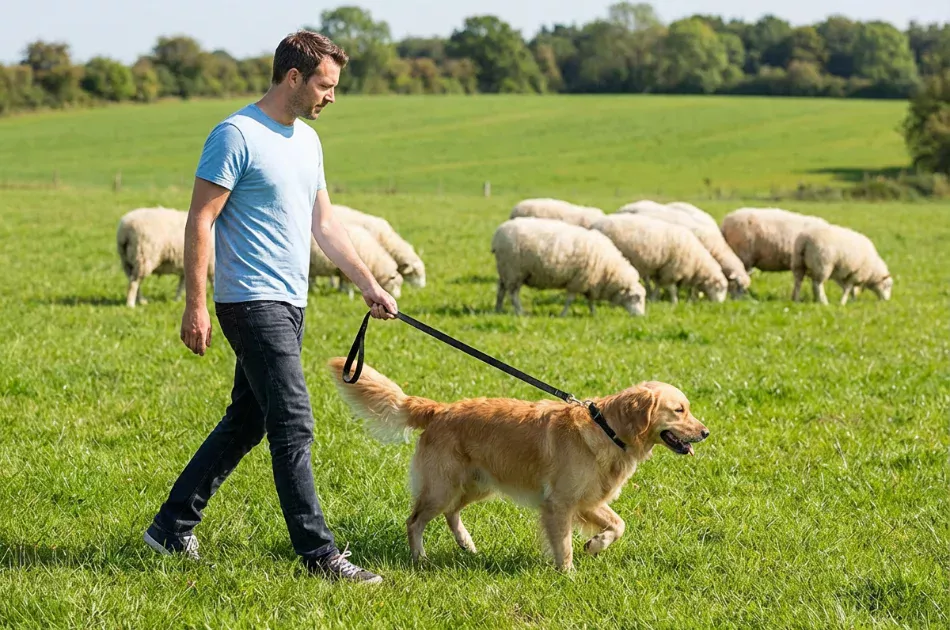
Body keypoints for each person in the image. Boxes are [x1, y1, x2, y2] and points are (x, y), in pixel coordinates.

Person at [143, 30, 397, 585]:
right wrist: (195, 305)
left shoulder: (307, 142)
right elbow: (200, 219)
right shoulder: (236, 135)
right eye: (325, 86)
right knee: (293, 422)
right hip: (249, 300)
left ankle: (168, 528)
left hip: (290, 301)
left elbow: (324, 225)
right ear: (292, 78)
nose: (332, 96)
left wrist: (367, 284)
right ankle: (319, 554)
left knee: (247, 420)